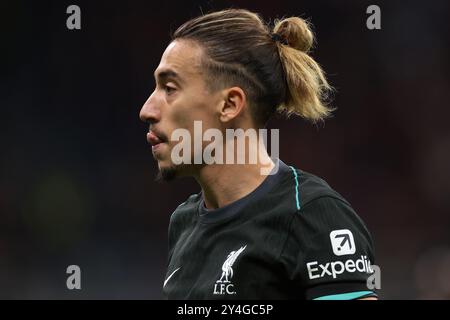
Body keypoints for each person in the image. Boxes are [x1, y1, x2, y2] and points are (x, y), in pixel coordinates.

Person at [139, 8, 378, 300]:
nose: (147, 110)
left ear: (229, 105)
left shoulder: (313, 217)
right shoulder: (183, 222)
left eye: (169, 88)